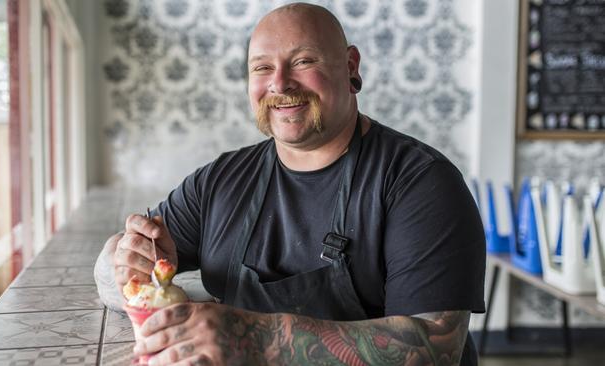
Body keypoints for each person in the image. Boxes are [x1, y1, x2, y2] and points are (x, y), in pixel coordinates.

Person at [94, 3, 486, 365]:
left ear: (351, 66)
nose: (280, 84)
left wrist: (258, 338)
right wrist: (126, 256)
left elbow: (437, 347)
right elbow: (118, 273)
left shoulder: (420, 182)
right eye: (262, 68)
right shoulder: (219, 181)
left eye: (302, 61)